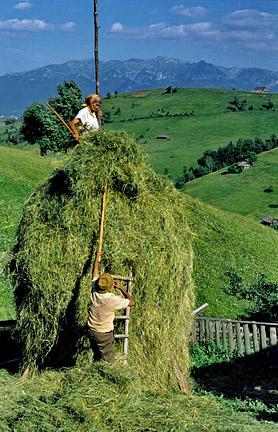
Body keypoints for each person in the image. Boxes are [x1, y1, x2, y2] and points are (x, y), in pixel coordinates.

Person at [88, 250, 135, 363]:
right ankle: (105, 378)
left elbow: (94, 273)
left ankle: (95, 372)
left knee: (97, 356)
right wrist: (121, 288)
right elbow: (131, 302)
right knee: (108, 361)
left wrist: (96, 258)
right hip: (104, 334)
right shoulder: (112, 300)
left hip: (91, 330)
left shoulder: (95, 290)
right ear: (109, 288)